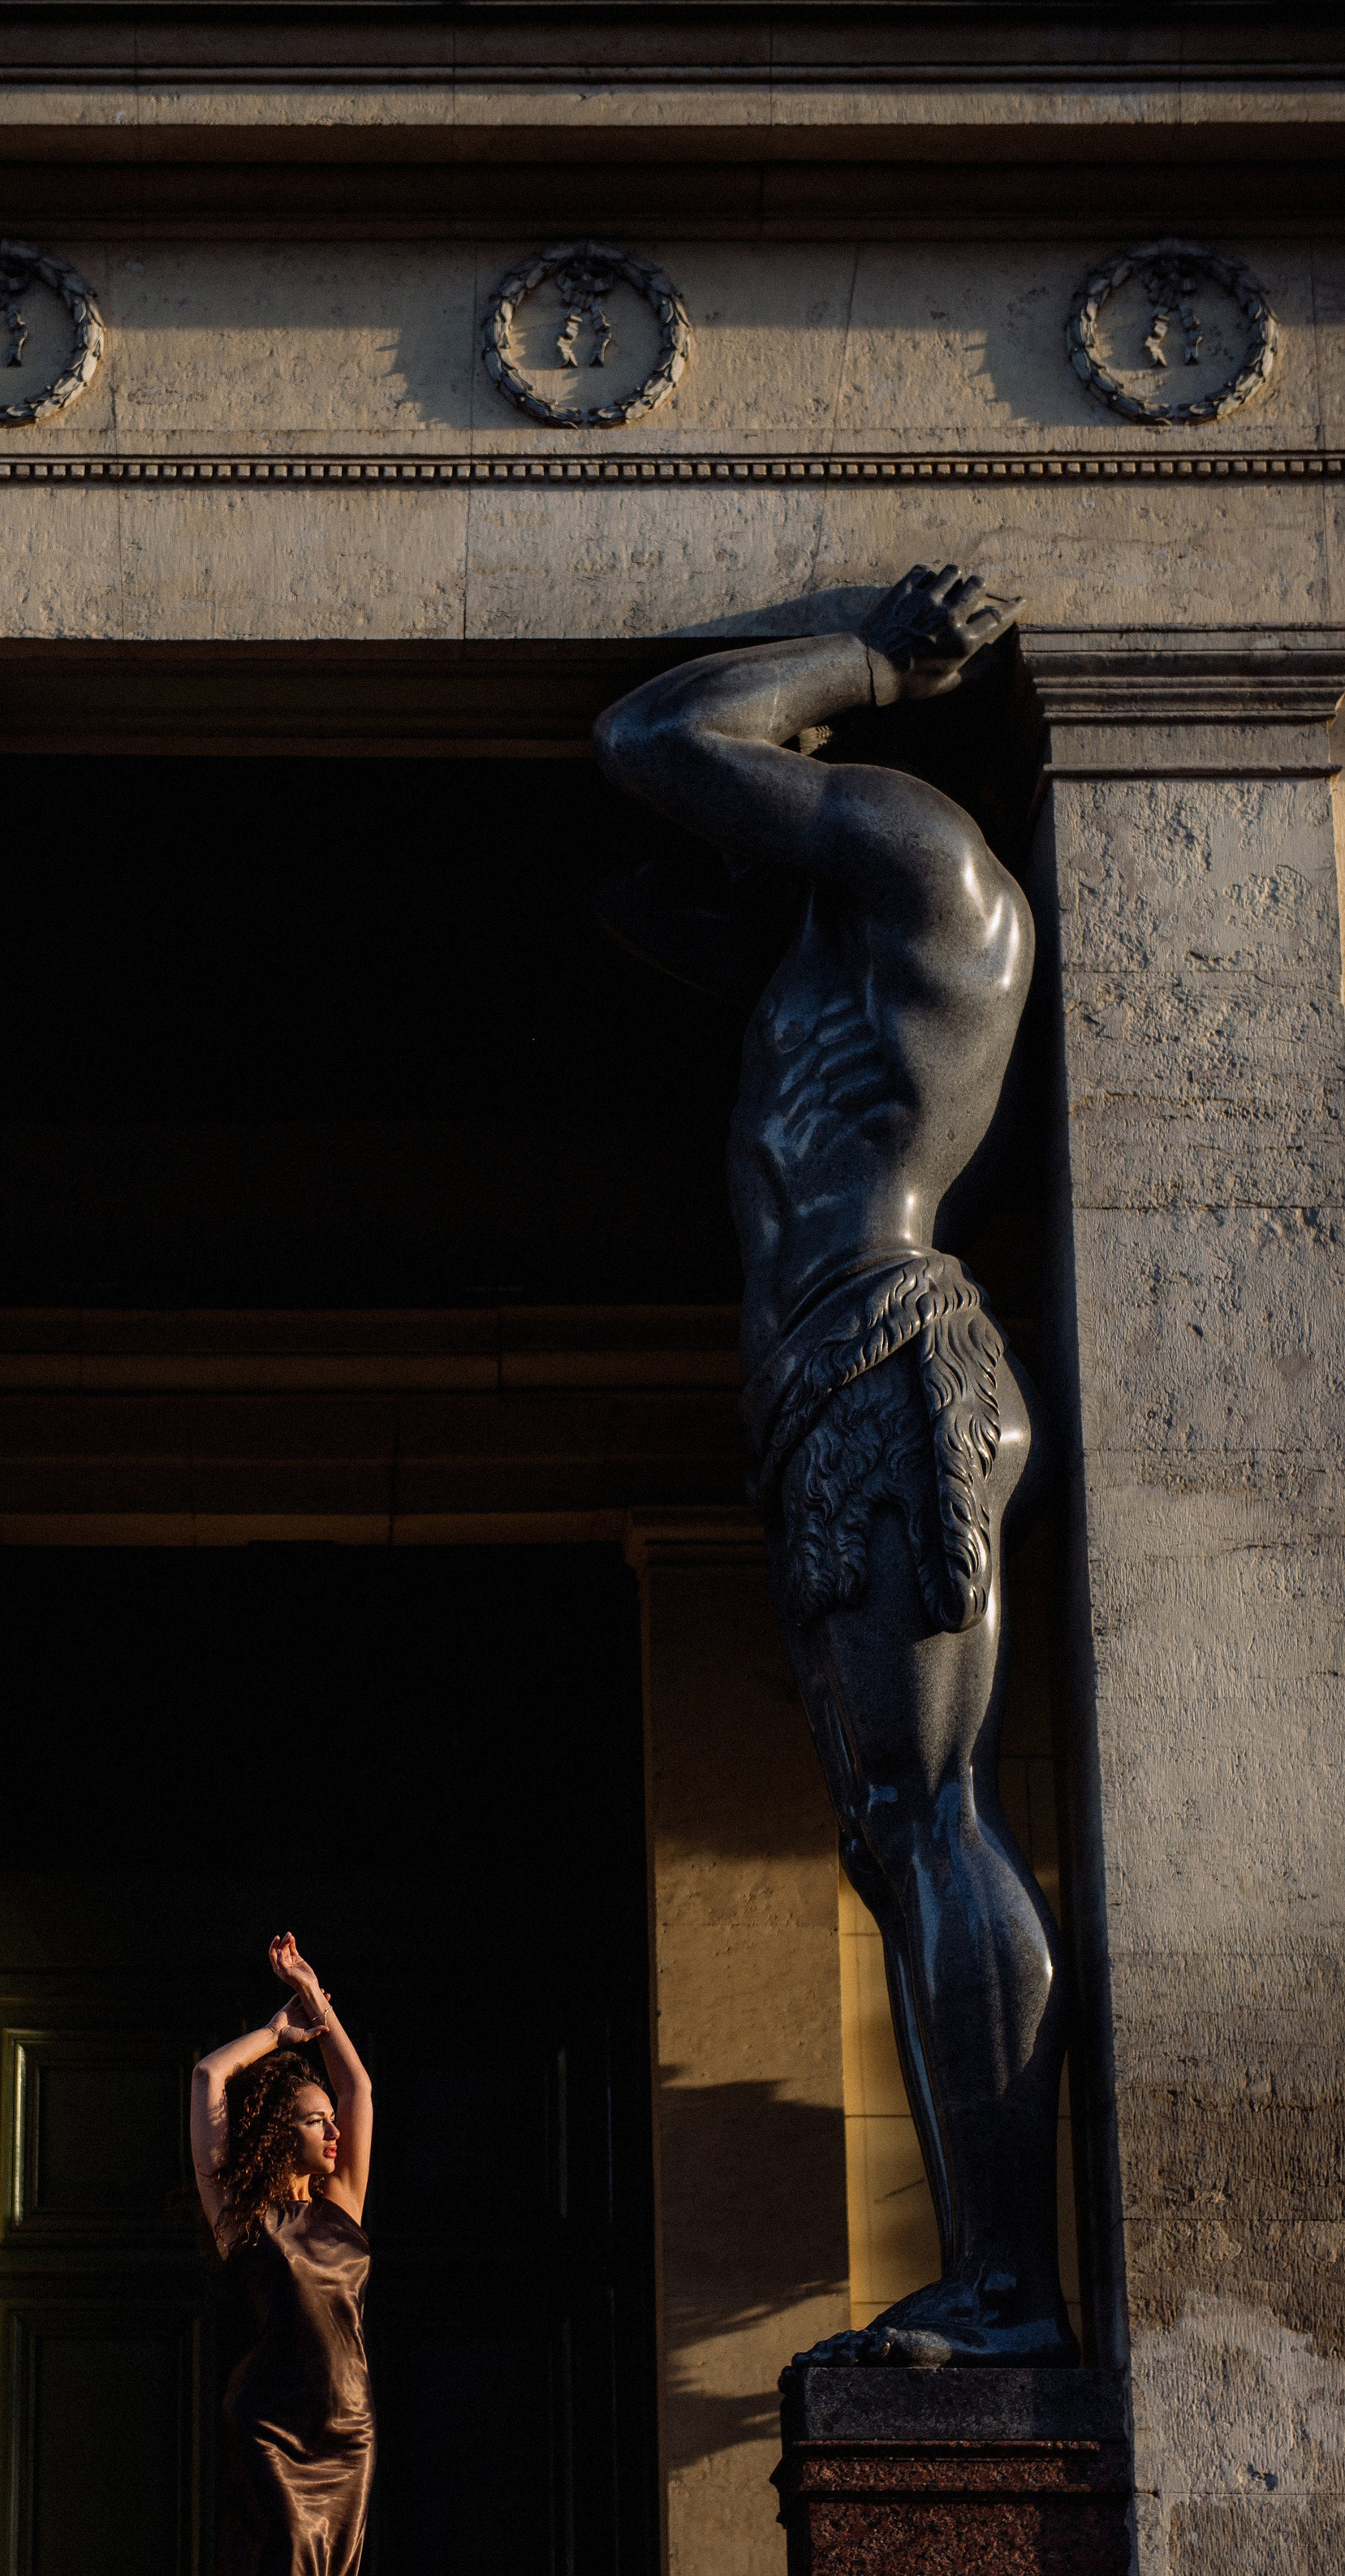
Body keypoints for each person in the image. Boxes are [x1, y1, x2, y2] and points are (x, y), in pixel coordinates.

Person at [593, 562, 1076, 2368]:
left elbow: (654, 734)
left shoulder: (929, 865)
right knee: (895, 1827)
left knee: (928, 1812)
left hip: (888, 1349)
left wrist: (867, 661)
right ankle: (997, 2269)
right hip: (820, 1381)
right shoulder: (820, 951)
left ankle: (1008, 2283)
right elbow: (646, 879)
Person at [192, 1932, 382, 2576]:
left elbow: (362, 2091)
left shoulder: (343, 2201)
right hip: (269, 2429)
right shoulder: (239, 2212)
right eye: (311, 2120)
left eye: (326, 2119)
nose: (331, 2129)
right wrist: (275, 2031)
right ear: (279, 2129)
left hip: (349, 2438)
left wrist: (319, 1998)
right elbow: (205, 2077)